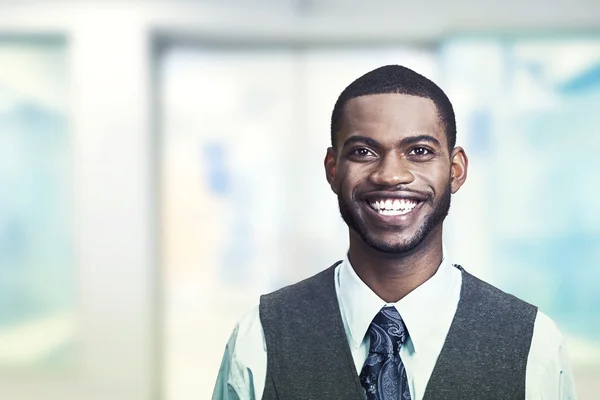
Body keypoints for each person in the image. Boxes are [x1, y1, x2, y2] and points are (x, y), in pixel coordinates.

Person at [212, 65, 576, 400]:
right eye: (363, 151)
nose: (390, 175)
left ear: (456, 170)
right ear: (332, 169)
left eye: (418, 151)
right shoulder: (258, 341)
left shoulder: (533, 346)